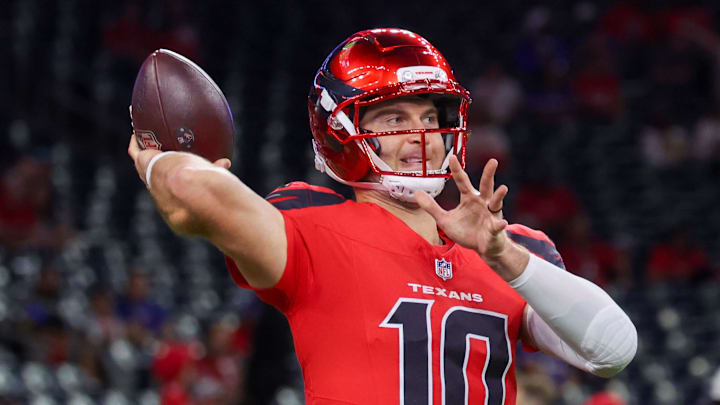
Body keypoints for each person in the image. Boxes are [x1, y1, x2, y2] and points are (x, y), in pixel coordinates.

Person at [128, 28, 637, 405]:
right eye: (394, 118)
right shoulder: (312, 225)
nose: (422, 135)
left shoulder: (509, 247)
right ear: (340, 132)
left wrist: (504, 256)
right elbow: (188, 192)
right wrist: (157, 156)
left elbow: (612, 349)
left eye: (431, 117)